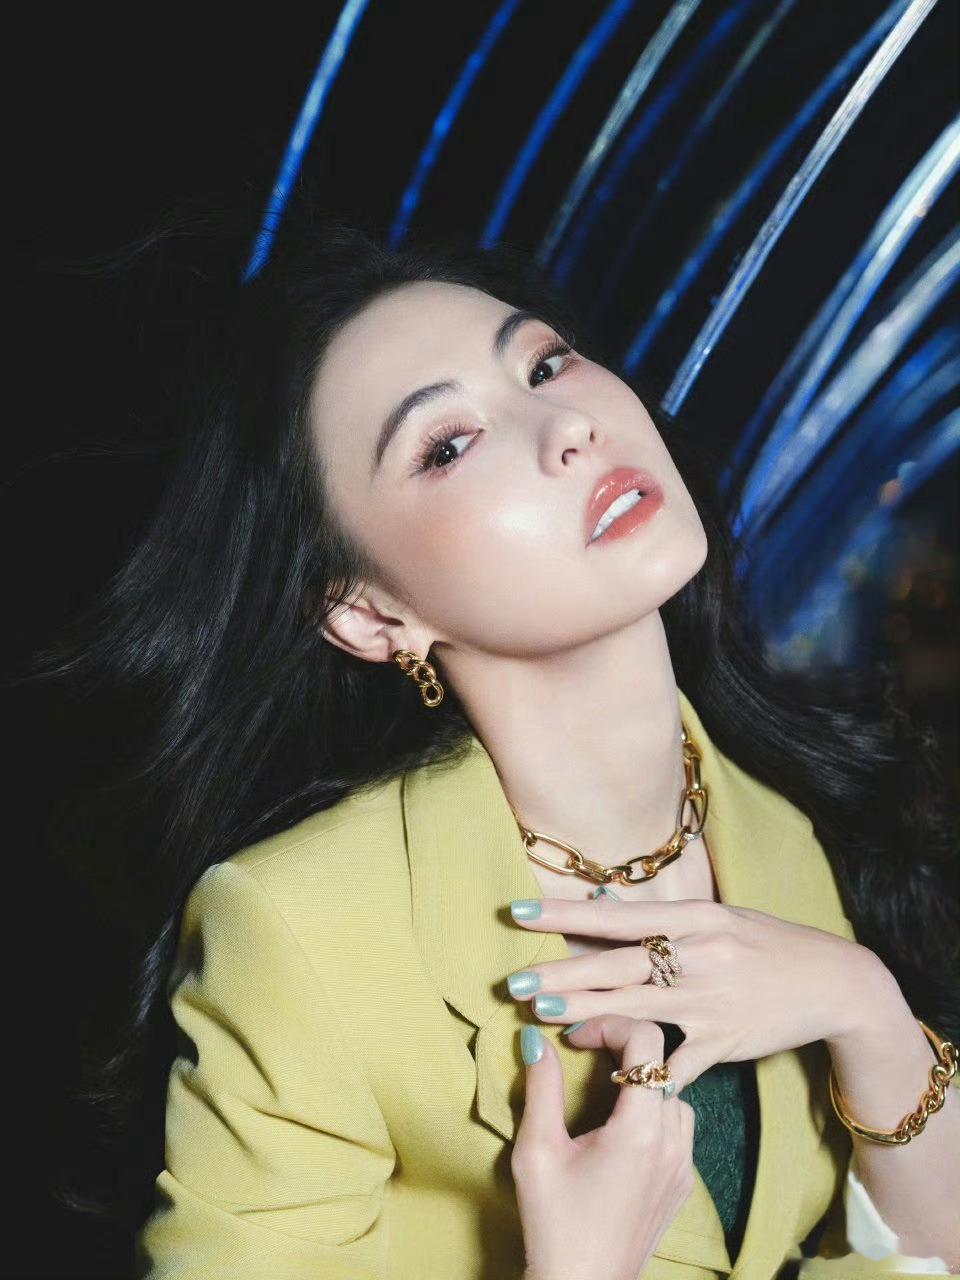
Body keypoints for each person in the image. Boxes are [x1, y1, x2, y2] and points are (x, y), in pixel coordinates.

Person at [38, 211, 959, 1278]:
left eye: (546, 363)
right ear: (370, 616)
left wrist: (865, 1011)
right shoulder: (303, 929)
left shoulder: (799, 827)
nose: (567, 427)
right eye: (448, 444)